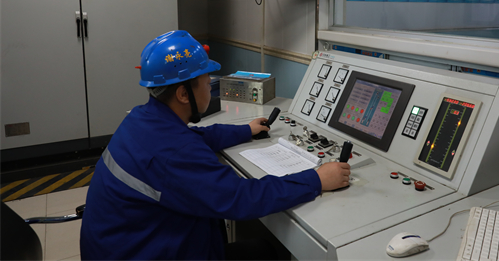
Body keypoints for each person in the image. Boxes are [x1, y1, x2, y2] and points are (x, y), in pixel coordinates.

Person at [80, 30, 350, 260]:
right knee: (268, 252)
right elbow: (241, 198)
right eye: (207, 82)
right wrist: (316, 179)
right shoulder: (174, 153)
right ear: (183, 94)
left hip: (130, 246)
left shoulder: (142, 119)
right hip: (150, 252)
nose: (211, 87)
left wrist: (245, 130)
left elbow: (196, 137)